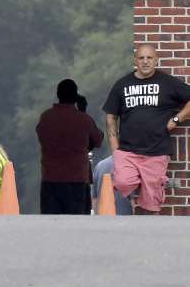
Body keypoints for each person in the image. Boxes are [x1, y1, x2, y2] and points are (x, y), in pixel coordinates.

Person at [102, 44, 190, 215]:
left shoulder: (168, 82)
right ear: (135, 61)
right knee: (122, 182)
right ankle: (135, 196)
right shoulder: (122, 84)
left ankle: (147, 231)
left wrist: (177, 119)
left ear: (156, 60)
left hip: (157, 151)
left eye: (149, 58)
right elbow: (111, 116)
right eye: (141, 58)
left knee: (151, 204)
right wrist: (115, 148)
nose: (145, 61)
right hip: (128, 151)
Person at [35, 78, 102, 215]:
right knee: (76, 226)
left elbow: (41, 136)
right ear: (75, 96)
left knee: (50, 224)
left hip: (50, 179)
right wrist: (83, 111)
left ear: (58, 95)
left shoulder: (46, 117)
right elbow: (98, 140)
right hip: (77, 180)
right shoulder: (83, 120)